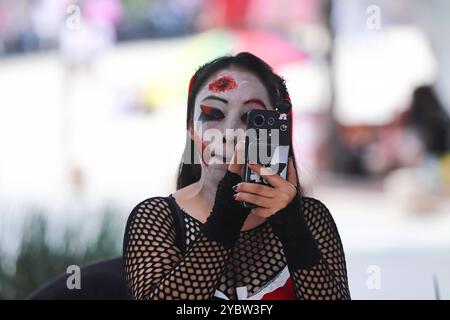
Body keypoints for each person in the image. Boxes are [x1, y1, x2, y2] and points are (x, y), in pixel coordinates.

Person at [122, 52, 350, 300]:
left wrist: (293, 228)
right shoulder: (156, 218)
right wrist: (226, 217)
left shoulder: (309, 218)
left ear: (276, 131)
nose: (229, 132)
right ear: (190, 127)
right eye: (213, 114)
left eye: (251, 117)